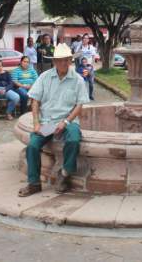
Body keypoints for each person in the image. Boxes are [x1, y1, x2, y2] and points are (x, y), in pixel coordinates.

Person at [18, 43, 88, 197]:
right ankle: (34, 183)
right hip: (48, 123)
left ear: (70, 60)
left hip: (68, 121)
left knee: (74, 140)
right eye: (60, 60)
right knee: (33, 146)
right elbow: (35, 100)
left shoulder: (77, 80)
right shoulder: (44, 77)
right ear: (54, 61)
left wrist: (66, 121)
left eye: (66, 59)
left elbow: (79, 105)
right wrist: (37, 123)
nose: (63, 63)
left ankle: (65, 173)